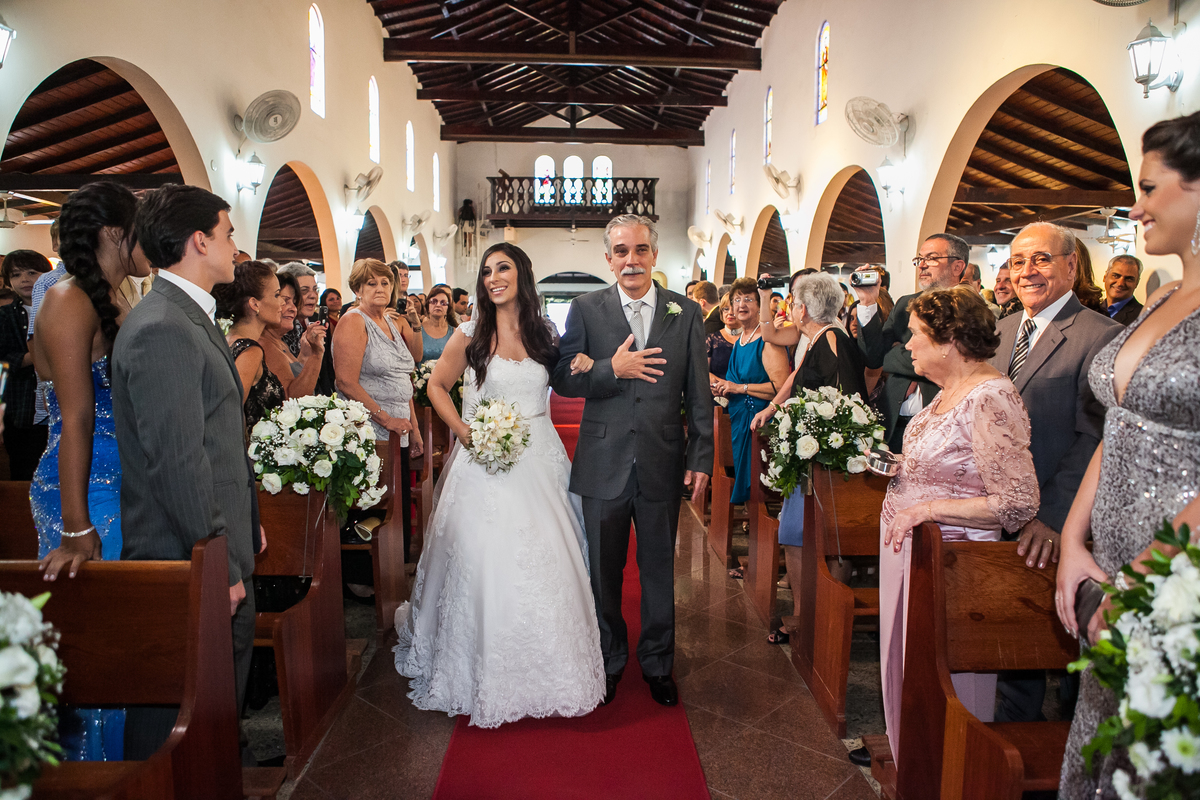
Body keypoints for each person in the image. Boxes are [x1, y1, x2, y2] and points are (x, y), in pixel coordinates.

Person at [394, 242, 604, 726]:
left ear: (522, 274)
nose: (493, 277)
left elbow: (568, 381)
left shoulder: (544, 332)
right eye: (487, 271)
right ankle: (476, 664)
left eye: (503, 268)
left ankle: (554, 664)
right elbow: (436, 387)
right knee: (485, 559)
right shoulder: (469, 333)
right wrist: (465, 433)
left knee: (550, 555)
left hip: (542, 457)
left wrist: (592, 365)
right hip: (485, 459)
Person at [1055, 112, 1200, 800]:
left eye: (1149, 186)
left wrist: (1145, 579)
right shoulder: (1165, 294)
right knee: (1099, 760)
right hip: (1108, 577)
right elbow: (1118, 423)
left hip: (1175, 583)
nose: (1134, 207)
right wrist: (1072, 543)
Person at [112, 184, 262, 760]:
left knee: (216, 705)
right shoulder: (163, 327)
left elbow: (215, 433)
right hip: (186, 553)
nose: (233, 246)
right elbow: (178, 460)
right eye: (227, 233)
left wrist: (246, 523)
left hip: (214, 540)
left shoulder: (184, 315)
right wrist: (216, 551)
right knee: (180, 712)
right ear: (199, 240)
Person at [874, 285, 1039, 766]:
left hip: (949, 560)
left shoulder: (990, 397)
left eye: (916, 336)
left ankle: (947, 771)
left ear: (947, 341)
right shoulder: (949, 390)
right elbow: (950, 466)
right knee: (908, 667)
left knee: (943, 678)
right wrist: (898, 464)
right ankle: (915, 763)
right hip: (912, 552)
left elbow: (1018, 500)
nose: (908, 346)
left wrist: (926, 510)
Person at [552, 214, 713, 708]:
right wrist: (609, 369)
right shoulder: (585, 308)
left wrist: (701, 454)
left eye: (640, 250)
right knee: (604, 572)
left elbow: (698, 392)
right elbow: (563, 376)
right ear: (608, 259)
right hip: (603, 460)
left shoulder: (684, 312)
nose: (631, 260)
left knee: (659, 570)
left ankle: (659, 665)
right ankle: (609, 660)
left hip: (662, 458)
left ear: (654, 255)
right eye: (621, 252)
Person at [27, 183, 147, 762]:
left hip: (116, 477)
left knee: (120, 636)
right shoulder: (66, 300)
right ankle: (93, 768)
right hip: (85, 486)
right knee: (101, 640)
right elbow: (73, 417)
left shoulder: (110, 299)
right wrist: (76, 526)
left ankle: (121, 765)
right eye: (138, 227)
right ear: (112, 234)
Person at [986, 222, 1121, 724]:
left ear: (1071, 265)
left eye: (1040, 259)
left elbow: (1096, 438)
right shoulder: (999, 333)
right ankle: (1008, 740)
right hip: (996, 511)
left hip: (1053, 521)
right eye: (1018, 261)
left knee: (1062, 652)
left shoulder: (1100, 336)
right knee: (1005, 639)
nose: (1027, 272)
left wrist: (1058, 518)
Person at [750, 273, 867, 644]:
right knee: (801, 533)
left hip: (825, 461)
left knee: (806, 535)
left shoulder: (831, 338)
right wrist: (773, 406)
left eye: (791, 304)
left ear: (801, 308)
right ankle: (814, 613)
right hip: (813, 456)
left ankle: (810, 616)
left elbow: (847, 400)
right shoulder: (821, 337)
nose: (789, 310)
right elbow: (799, 376)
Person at [853, 234, 968, 452]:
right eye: (919, 259)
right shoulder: (906, 303)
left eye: (932, 258)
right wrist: (868, 301)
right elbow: (875, 357)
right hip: (894, 423)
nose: (922, 265)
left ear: (957, 266)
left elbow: (951, 361)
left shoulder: (970, 308)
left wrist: (899, 353)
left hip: (943, 424)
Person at [711, 278, 790, 511]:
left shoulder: (768, 340)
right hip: (739, 417)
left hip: (761, 420)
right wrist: (723, 386)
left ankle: (760, 517)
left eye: (748, 299)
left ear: (759, 306)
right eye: (736, 300)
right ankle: (753, 513)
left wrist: (739, 388)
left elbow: (781, 386)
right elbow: (735, 382)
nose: (741, 305)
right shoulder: (740, 341)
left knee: (757, 475)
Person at [333, 258, 422, 453]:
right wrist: (387, 420)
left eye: (385, 283)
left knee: (401, 484)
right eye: (371, 284)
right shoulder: (353, 321)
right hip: (369, 432)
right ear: (358, 290)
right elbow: (346, 382)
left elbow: (401, 380)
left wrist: (414, 428)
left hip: (400, 429)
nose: (380, 289)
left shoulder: (389, 321)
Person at [212, 261, 286, 430]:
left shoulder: (227, 338)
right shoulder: (250, 351)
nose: (282, 303)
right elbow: (232, 411)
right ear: (255, 304)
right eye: (276, 295)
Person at [0, 251, 52, 479]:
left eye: (32, 272)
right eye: (16, 274)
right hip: (20, 409)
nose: (25, 279)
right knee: (22, 472)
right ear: (8, 281)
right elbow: (4, 360)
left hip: (55, 407)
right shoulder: (4, 316)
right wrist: (40, 356)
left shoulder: (58, 308)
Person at [258, 271, 326, 399]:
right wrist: (317, 354)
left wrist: (305, 355)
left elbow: (294, 378)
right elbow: (291, 398)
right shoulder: (264, 345)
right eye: (285, 301)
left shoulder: (279, 342)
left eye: (294, 302)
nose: (293, 308)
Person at [420, 284, 458, 363]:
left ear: (448, 308)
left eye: (443, 303)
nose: (438, 305)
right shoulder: (418, 330)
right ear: (428, 306)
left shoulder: (455, 332)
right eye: (434, 301)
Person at [1102, 253, 1143, 324]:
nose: (1120, 283)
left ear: (1137, 283)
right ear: (1105, 277)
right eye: (1116, 276)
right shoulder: (1091, 310)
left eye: (1129, 279)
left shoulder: (1143, 317)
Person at [706, 294, 739, 382]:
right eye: (726, 309)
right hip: (717, 391)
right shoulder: (712, 339)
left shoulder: (752, 338)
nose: (730, 313)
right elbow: (703, 371)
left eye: (734, 308)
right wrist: (724, 385)